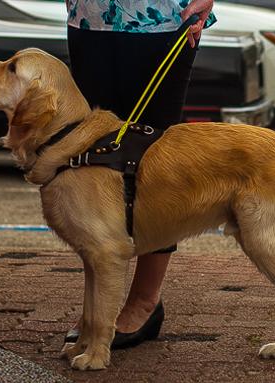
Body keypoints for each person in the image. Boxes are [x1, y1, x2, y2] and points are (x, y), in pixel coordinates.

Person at [63, 0, 216, 348]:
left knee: (156, 162)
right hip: (90, 18)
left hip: (161, 18)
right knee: (97, 157)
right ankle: (98, 306)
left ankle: (145, 300)